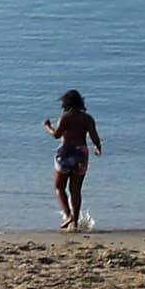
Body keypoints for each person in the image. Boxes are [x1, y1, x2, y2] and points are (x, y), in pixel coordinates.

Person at [45, 90, 105, 231]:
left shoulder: (65, 117)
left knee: (59, 187)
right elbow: (94, 135)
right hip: (81, 153)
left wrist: (47, 126)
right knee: (75, 190)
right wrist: (98, 147)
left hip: (66, 151)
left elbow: (56, 135)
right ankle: (75, 223)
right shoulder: (87, 118)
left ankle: (68, 215)